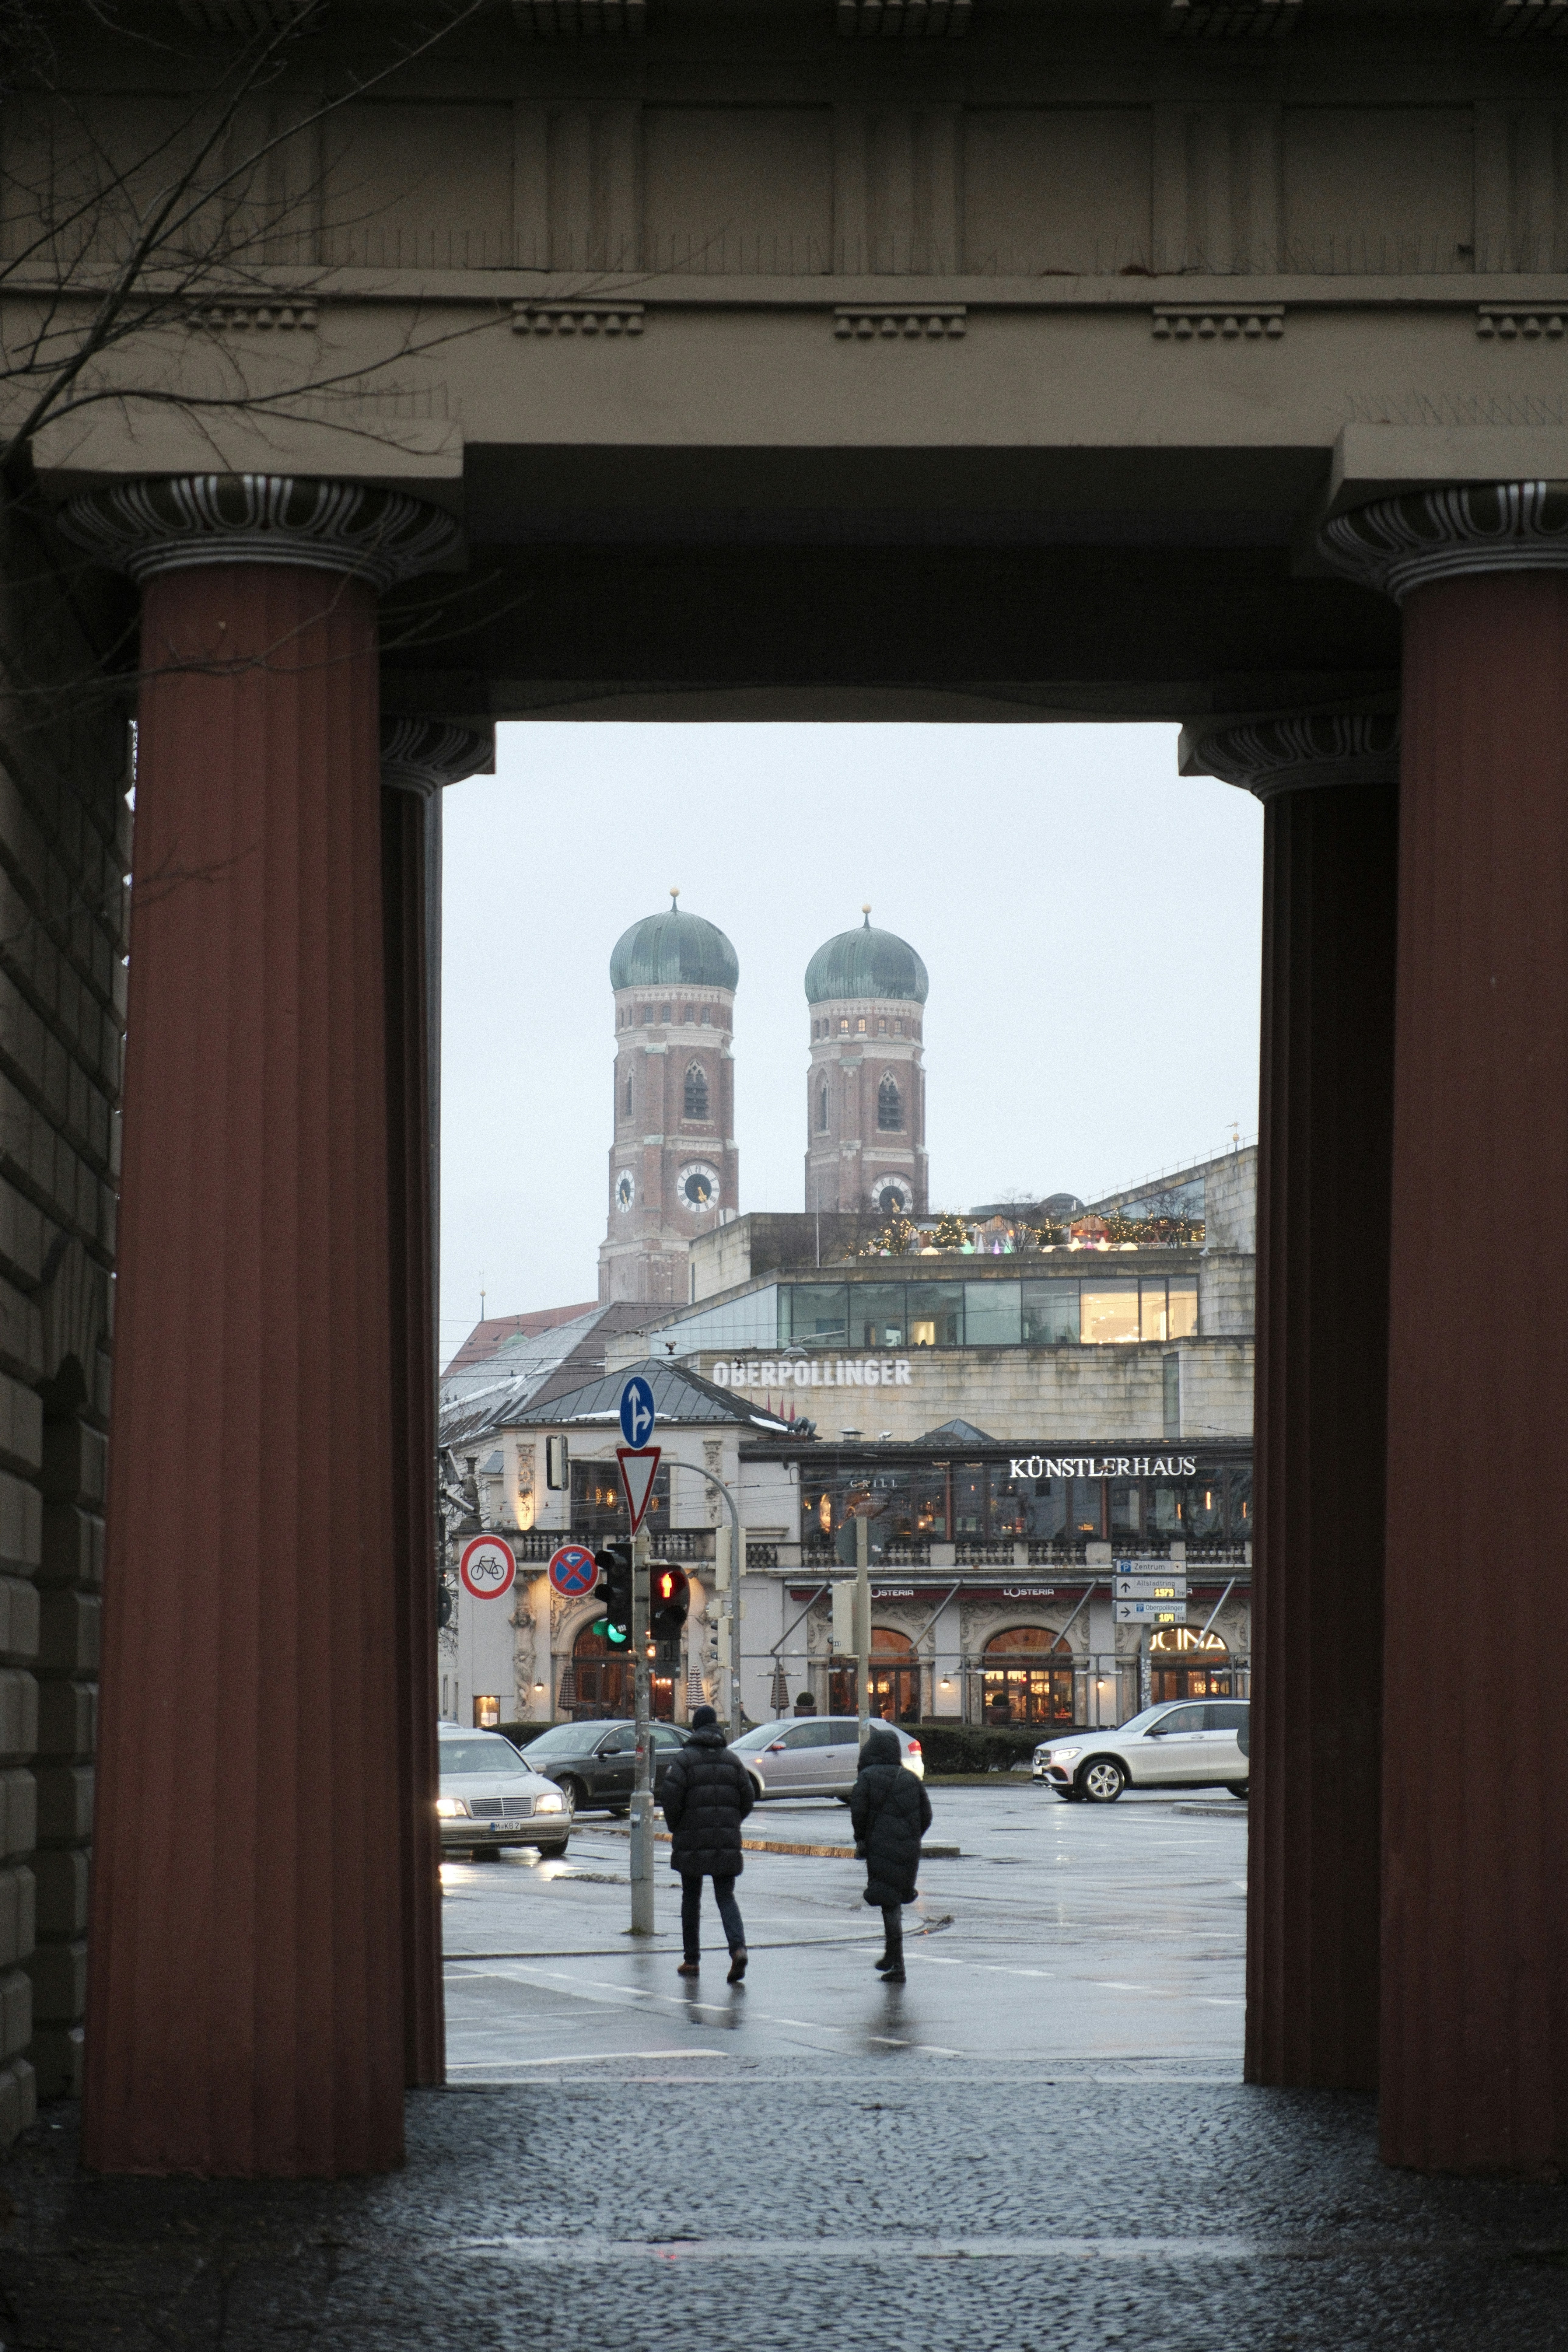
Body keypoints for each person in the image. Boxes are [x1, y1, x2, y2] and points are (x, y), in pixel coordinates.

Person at [660, 1704, 755, 1983]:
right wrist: (733, 1821)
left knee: (691, 1897)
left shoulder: (684, 1761)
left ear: (696, 1729)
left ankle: (692, 1960)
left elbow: (670, 1799)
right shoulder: (733, 1760)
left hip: (691, 1841)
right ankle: (738, 1948)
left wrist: (678, 1828)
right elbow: (747, 1798)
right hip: (726, 1839)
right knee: (726, 1897)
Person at [849, 1724, 933, 1985]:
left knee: (889, 1902)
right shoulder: (910, 1778)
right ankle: (892, 1958)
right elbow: (927, 1815)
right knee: (894, 1900)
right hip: (909, 1849)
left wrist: (862, 1839)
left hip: (879, 1847)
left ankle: (897, 1964)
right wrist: (912, 1836)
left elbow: (859, 1813)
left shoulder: (867, 1778)